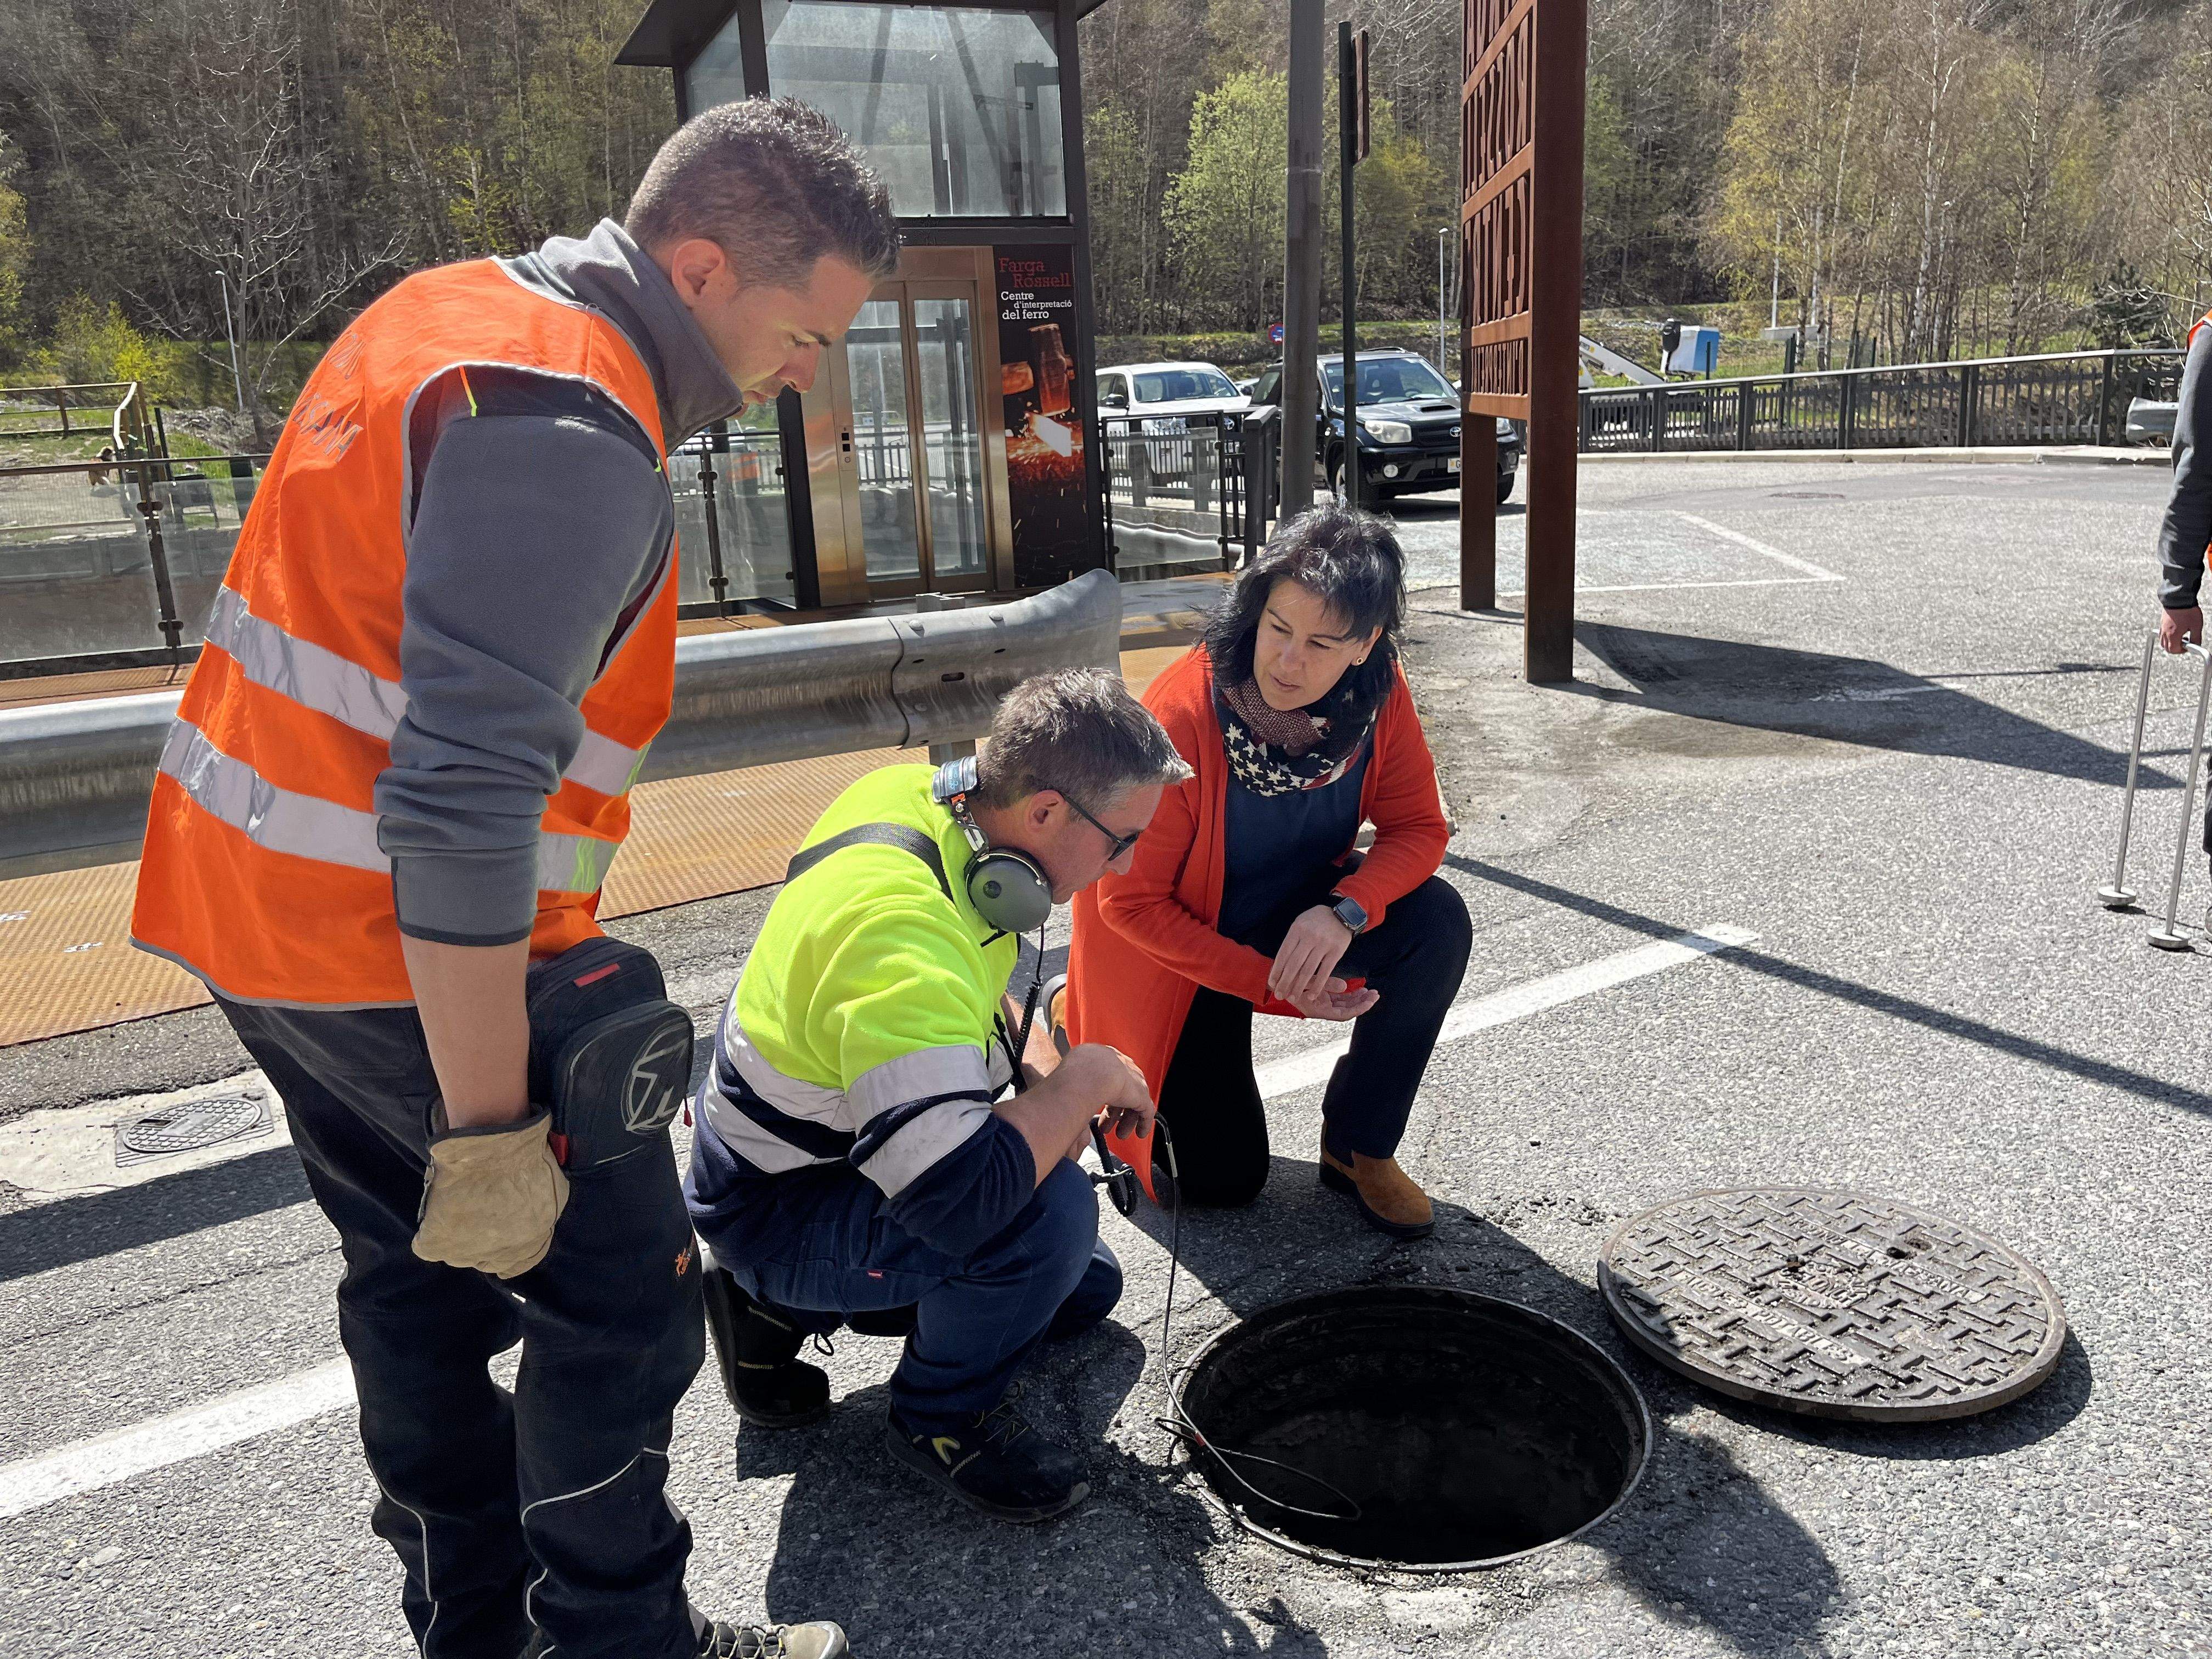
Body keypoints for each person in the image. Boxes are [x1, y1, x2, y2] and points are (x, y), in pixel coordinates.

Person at [128, 98, 896, 1659]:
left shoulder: (450, 310)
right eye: (807, 330)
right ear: (698, 266)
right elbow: (465, 805)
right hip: (402, 951)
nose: (812, 369)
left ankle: (473, 1629)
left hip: (255, 917)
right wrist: (489, 1126)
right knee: (616, 1296)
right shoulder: (573, 430)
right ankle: (622, 1643)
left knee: (412, 1287)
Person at [684, 668, 1184, 1522]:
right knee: (1049, 1221)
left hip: (805, 1146)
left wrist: (1035, 1064)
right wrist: (1083, 1082)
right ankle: (934, 1415)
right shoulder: (898, 933)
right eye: (1122, 840)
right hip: (780, 1202)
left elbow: (979, 987)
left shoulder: (924, 805)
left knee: (1083, 1288)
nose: (1128, 864)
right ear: (1047, 814)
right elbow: (958, 1202)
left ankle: (797, 1305)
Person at [1065, 503, 1469, 1237]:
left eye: (1320, 642)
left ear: (1365, 645)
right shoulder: (1183, 713)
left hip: (1294, 912)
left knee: (1436, 922)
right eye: (1278, 629)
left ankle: (1358, 1148)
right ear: (1254, 610)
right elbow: (1129, 905)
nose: (1288, 662)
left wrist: (1347, 909)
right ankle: (1080, 1024)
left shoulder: (1378, 695)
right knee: (1222, 1182)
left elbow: (1418, 829)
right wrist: (1268, 983)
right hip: (1182, 953)